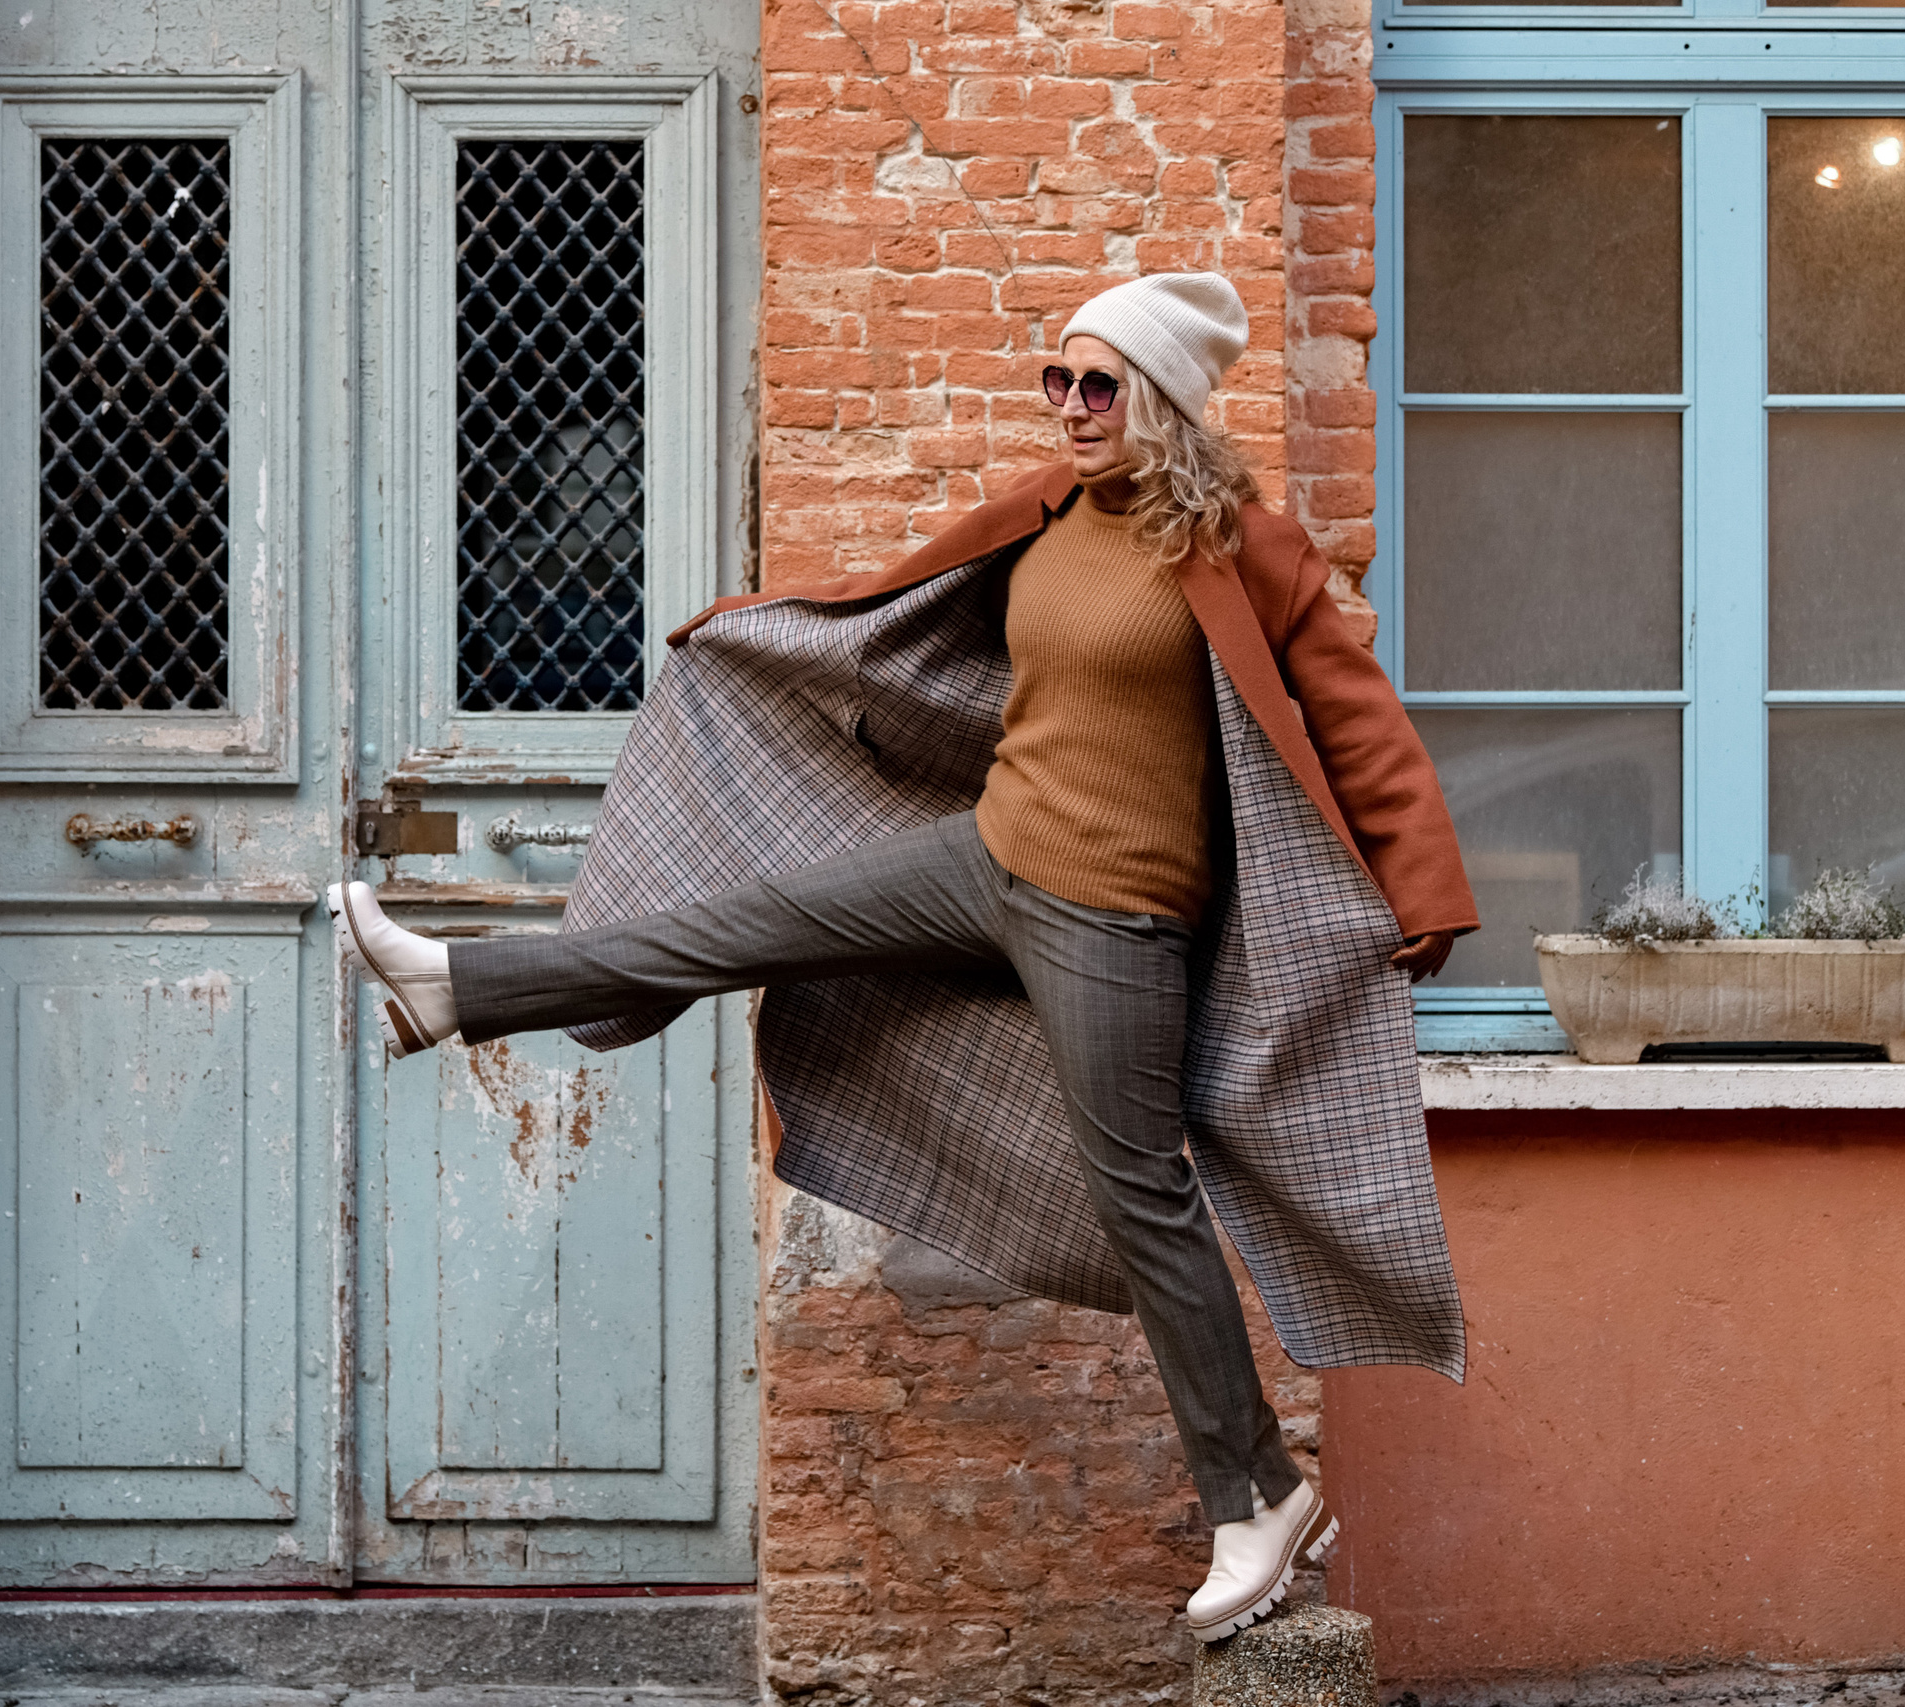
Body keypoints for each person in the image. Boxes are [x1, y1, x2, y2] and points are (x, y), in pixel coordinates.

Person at [337, 272, 1478, 1643]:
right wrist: (754, 637)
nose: (1068, 409)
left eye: (1098, 386)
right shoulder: (1052, 512)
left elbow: (1357, 724)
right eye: (1056, 382)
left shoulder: (1244, 550)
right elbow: (892, 604)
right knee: (734, 926)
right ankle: (457, 988)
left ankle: (1258, 1497)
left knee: (1144, 1198)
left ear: (1164, 399)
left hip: (1118, 918)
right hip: (987, 857)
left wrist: (1422, 895)